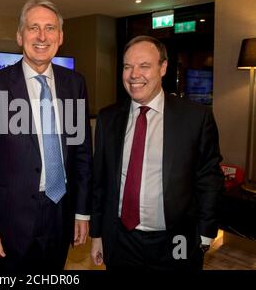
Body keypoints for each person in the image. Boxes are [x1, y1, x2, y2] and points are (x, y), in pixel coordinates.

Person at [0, 0, 92, 272]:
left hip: (60, 213)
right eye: (33, 28)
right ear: (19, 36)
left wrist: (82, 211)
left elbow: (81, 152)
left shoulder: (75, 84)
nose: (41, 36)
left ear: (60, 37)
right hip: (10, 218)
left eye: (50, 28)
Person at [90, 35, 224, 270]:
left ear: (163, 68)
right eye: (128, 66)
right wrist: (97, 234)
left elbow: (209, 178)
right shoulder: (107, 118)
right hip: (121, 240)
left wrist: (204, 235)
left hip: (176, 239)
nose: (134, 75)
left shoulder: (195, 117)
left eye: (144, 66)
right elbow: (100, 182)